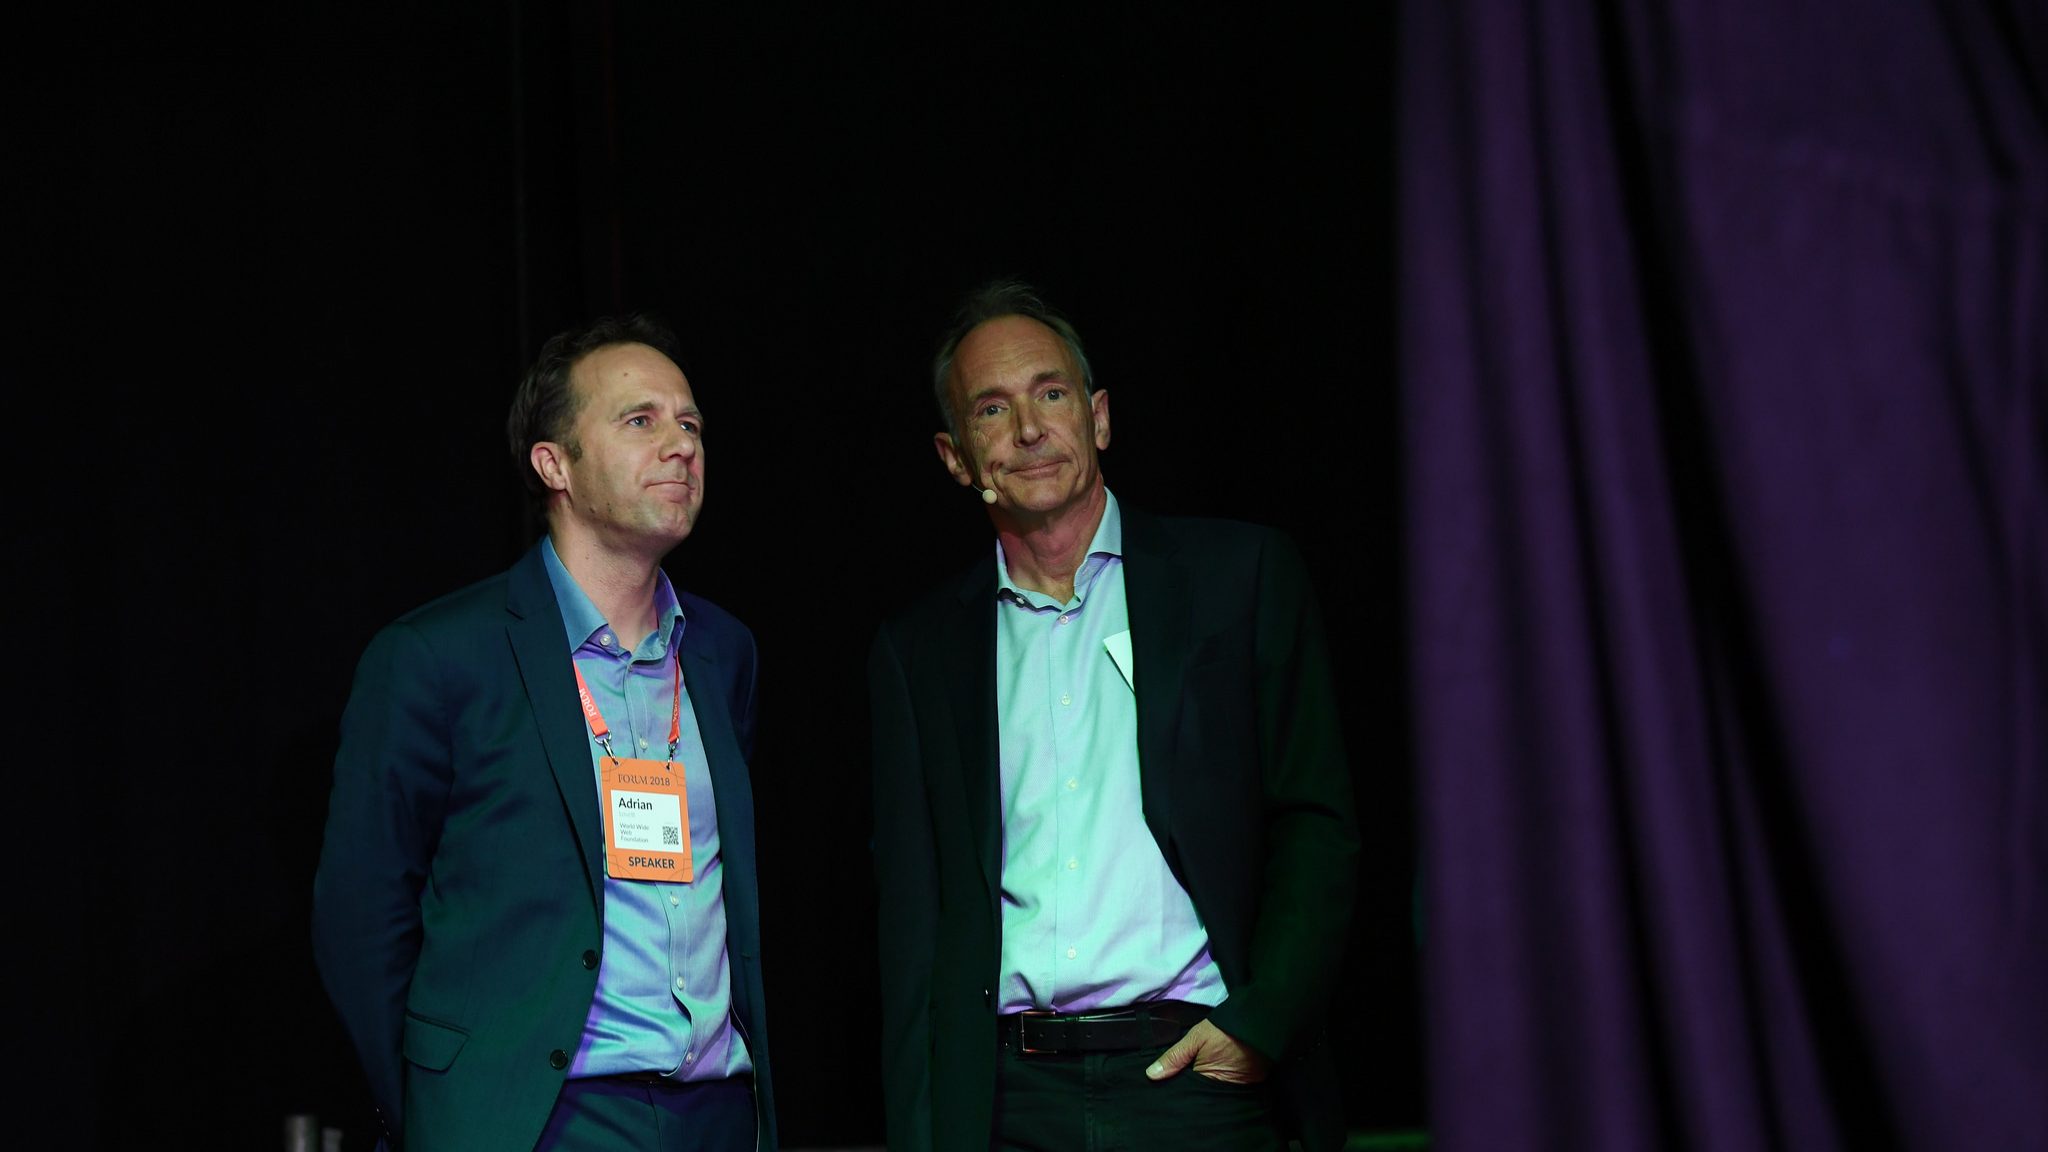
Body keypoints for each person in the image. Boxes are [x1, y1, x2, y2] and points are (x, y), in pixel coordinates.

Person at [868, 279, 1360, 1151]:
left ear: (1098, 418)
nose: (1029, 429)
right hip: (1012, 1101)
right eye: (992, 409)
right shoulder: (919, 655)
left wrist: (1260, 1022)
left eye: (1051, 394)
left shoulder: (1238, 579)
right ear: (955, 457)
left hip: (1200, 1083)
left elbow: (1315, 821)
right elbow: (914, 927)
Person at [312, 314, 776, 1151]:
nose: (680, 445)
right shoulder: (439, 657)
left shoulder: (723, 651)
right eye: (641, 421)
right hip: (540, 1119)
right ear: (553, 463)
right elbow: (361, 916)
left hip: (716, 1109)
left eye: (691, 423)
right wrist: (449, 1110)